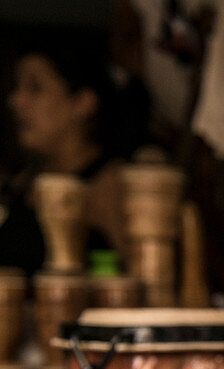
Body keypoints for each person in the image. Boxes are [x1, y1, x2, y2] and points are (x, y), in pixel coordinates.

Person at [0, 36, 143, 274]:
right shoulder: (22, 183)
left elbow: (143, 275)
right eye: (17, 87)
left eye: (35, 88)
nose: (16, 100)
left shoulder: (111, 183)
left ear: (83, 103)